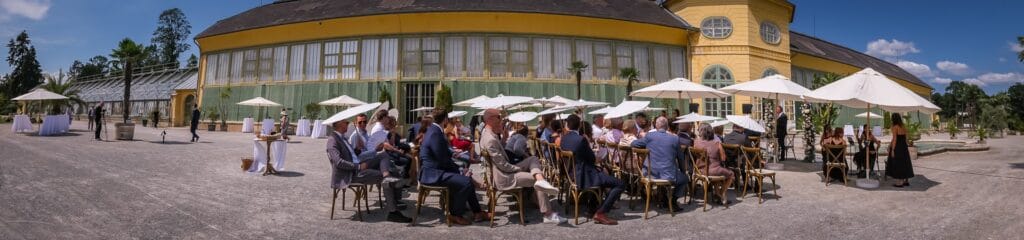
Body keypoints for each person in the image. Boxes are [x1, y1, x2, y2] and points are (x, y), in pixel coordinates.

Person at [480, 109, 567, 224]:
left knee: (533, 159)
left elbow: (500, 153)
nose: (501, 120)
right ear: (490, 119)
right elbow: (502, 165)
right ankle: (548, 214)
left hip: (505, 171)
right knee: (536, 179)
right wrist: (518, 168)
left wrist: (504, 139)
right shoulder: (490, 139)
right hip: (504, 177)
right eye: (499, 117)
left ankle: (539, 182)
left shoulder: (488, 134)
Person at [326, 116, 411, 223]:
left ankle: (387, 179)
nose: (348, 124)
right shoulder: (332, 140)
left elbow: (351, 155)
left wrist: (357, 150)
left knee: (383, 156)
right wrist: (358, 166)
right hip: (351, 174)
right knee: (388, 176)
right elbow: (338, 162)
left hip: (359, 165)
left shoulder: (343, 138)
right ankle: (393, 211)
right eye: (346, 122)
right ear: (339, 124)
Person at [418, 110, 488, 225]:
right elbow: (442, 159)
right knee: (466, 182)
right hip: (433, 174)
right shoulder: (435, 132)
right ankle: (455, 214)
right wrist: (459, 170)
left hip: (435, 171)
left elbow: (442, 151)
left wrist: (452, 155)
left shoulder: (434, 130)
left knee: (466, 179)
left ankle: (478, 212)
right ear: (445, 119)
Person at [559, 114, 624, 225]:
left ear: (567, 126)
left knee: (602, 176)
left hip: (571, 174)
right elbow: (592, 159)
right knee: (620, 184)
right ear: (579, 125)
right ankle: (601, 213)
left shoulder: (564, 138)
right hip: (584, 176)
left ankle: (592, 208)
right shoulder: (581, 140)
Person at [630, 117, 689, 209]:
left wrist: (645, 147)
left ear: (656, 126)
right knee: (684, 178)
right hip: (668, 175)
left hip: (649, 174)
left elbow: (633, 144)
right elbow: (681, 159)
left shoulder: (650, 136)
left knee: (664, 170)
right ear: (667, 127)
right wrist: (683, 171)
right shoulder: (675, 139)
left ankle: (664, 199)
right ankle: (672, 201)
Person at [694, 124, 735, 205]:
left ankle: (717, 194)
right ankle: (721, 193)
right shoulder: (717, 143)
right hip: (714, 170)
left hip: (700, 171)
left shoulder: (696, 142)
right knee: (731, 174)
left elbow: (695, 155)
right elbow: (723, 158)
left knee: (717, 174)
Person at [887, 113, 914, 187]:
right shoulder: (903, 126)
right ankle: (906, 180)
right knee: (905, 162)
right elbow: (906, 138)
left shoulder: (894, 127)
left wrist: (892, 149)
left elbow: (895, 139)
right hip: (904, 146)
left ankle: (900, 182)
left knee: (898, 163)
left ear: (893, 119)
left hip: (898, 147)